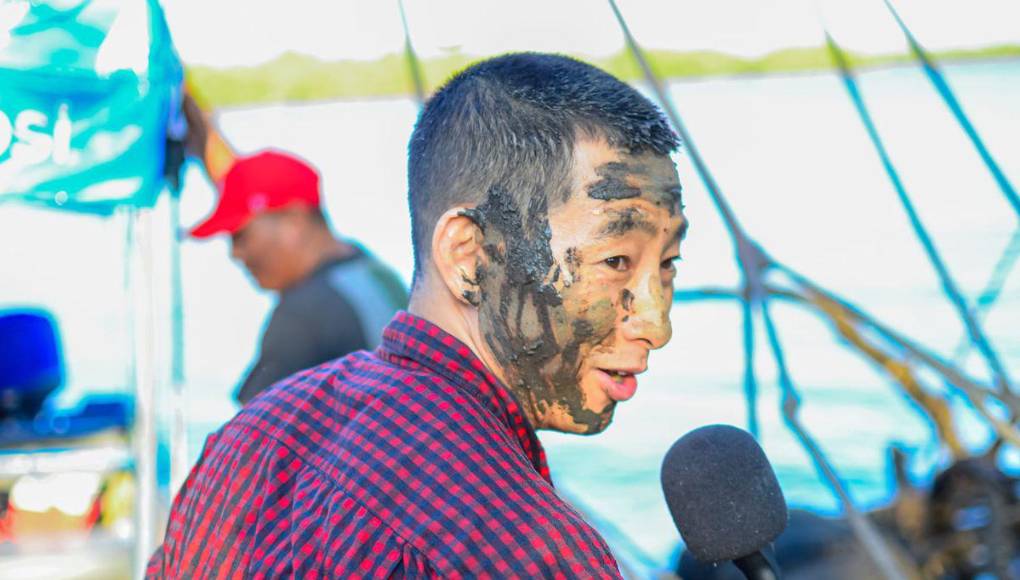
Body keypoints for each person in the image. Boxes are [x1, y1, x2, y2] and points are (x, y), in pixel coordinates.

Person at [148, 53, 687, 578]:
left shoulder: (245, 443)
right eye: (616, 261)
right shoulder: (531, 551)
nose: (657, 325)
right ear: (468, 257)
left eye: (668, 264)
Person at [183, 98, 408, 405]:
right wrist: (205, 136)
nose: (235, 254)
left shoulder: (304, 316)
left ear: (294, 222)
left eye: (240, 236)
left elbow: (252, 436)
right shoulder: (372, 272)